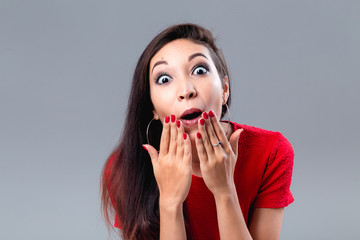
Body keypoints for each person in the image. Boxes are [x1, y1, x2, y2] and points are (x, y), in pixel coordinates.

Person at [101, 23, 294, 240]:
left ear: (224, 89)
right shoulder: (125, 169)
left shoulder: (271, 151)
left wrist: (224, 191)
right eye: (164, 79)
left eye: (199, 70)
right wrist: (170, 202)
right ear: (152, 108)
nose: (186, 91)